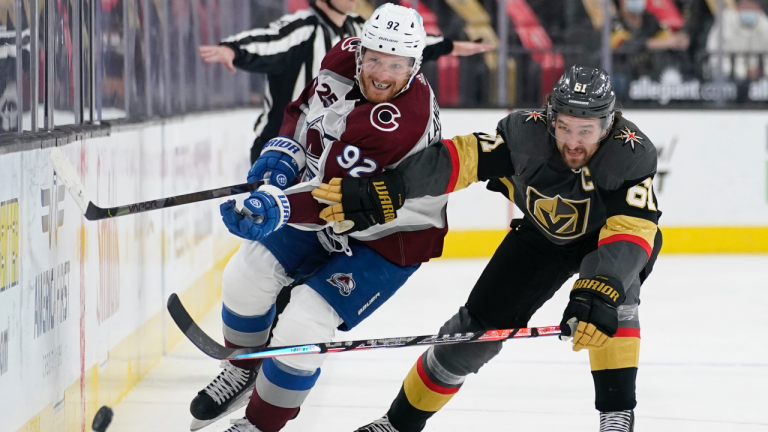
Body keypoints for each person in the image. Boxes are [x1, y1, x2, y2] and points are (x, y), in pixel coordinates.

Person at [314, 66, 662, 432]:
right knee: (470, 334)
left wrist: (602, 288)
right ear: (549, 118)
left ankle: (617, 417)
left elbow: (632, 229)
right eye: (564, 127)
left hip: (608, 238)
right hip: (541, 237)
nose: (573, 142)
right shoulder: (524, 134)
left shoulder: (631, 153)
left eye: (586, 131)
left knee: (611, 303)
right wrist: (394, 186)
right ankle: (396, 424)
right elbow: (461, 159)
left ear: (607, 126)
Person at [190, 5, 449, 432]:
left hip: (389, 234)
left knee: (302, 327)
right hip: (326, 204)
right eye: (376, 59)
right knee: (245, 275)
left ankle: (259, 424)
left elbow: (337, 195)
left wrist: (278, 206)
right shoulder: (340, 55)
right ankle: (244, 368)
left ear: (415, 65)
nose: (382, 73)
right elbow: (301, 111)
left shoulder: (401, 121)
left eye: (397, 64)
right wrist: (282, 155)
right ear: (360, 50)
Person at [198, 0, 492, 164]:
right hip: (283, 146)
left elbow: (404, 46)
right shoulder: (302, 28)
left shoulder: (358, 28)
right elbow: (268, 40)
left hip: (333, 148)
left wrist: (449, 45)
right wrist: (233, 50)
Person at [706, 0, 768, 81]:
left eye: (751, 7)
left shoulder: (764, 24)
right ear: (737, 7)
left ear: (758, 8)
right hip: (729, 79)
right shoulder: (725, 22)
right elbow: (714, 54)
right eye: (744, 6)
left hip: (760, 79)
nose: (748, 10)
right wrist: (739, 73)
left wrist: (760, 71)